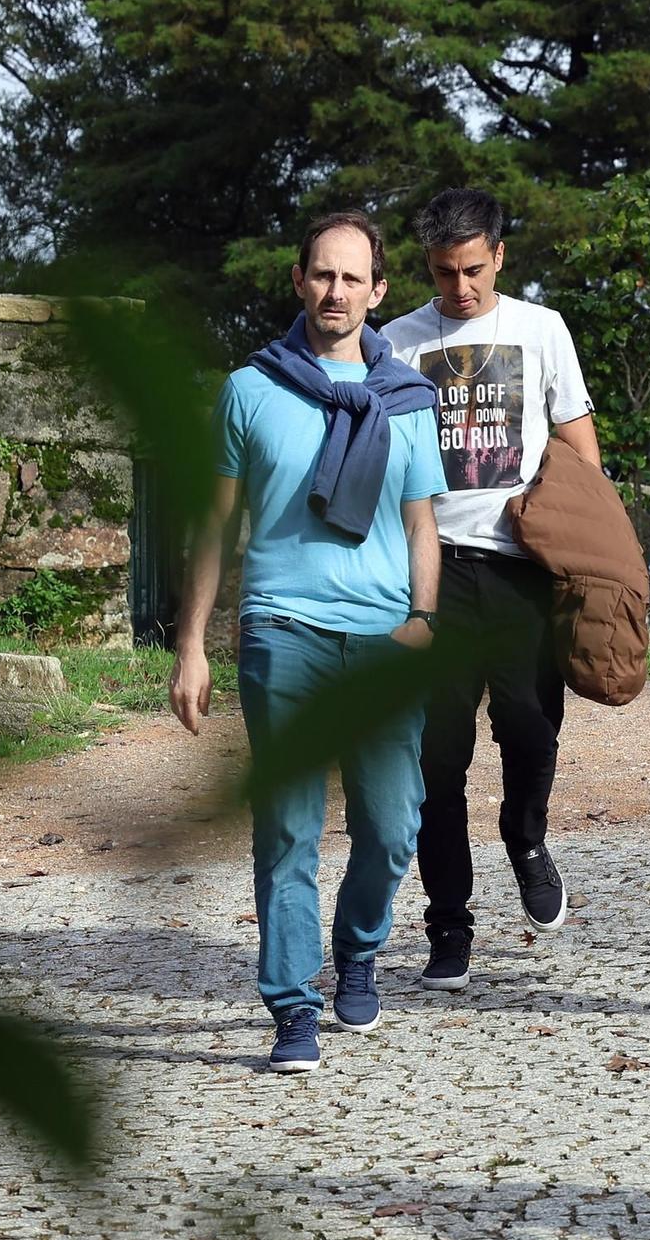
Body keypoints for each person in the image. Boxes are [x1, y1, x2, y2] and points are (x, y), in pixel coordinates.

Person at [168, 210, 445, 1072]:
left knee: (394, 824)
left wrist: (423, 620)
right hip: (281, 631)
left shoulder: (406, 402)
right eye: (322, 275)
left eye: (352, 278)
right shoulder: (252, 390)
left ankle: (359, 950)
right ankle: (292, 1005)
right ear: (299, 281)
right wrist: (192, 646)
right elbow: (211, 528)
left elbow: (423, 524)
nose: (336, 291)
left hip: (382, 641)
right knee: (287, 826)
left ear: (379, 291)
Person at [380, 188, 602, 991]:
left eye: (474, 270)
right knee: (438, 758)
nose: (461, 289)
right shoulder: (398, 344)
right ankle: (449, 925)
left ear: (499, 256)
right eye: (445, 275)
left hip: (521, 567)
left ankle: (526, 833)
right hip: (434, 570)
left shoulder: (540, 330)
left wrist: (594, 559)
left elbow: (581, 452)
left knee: (531, 725)